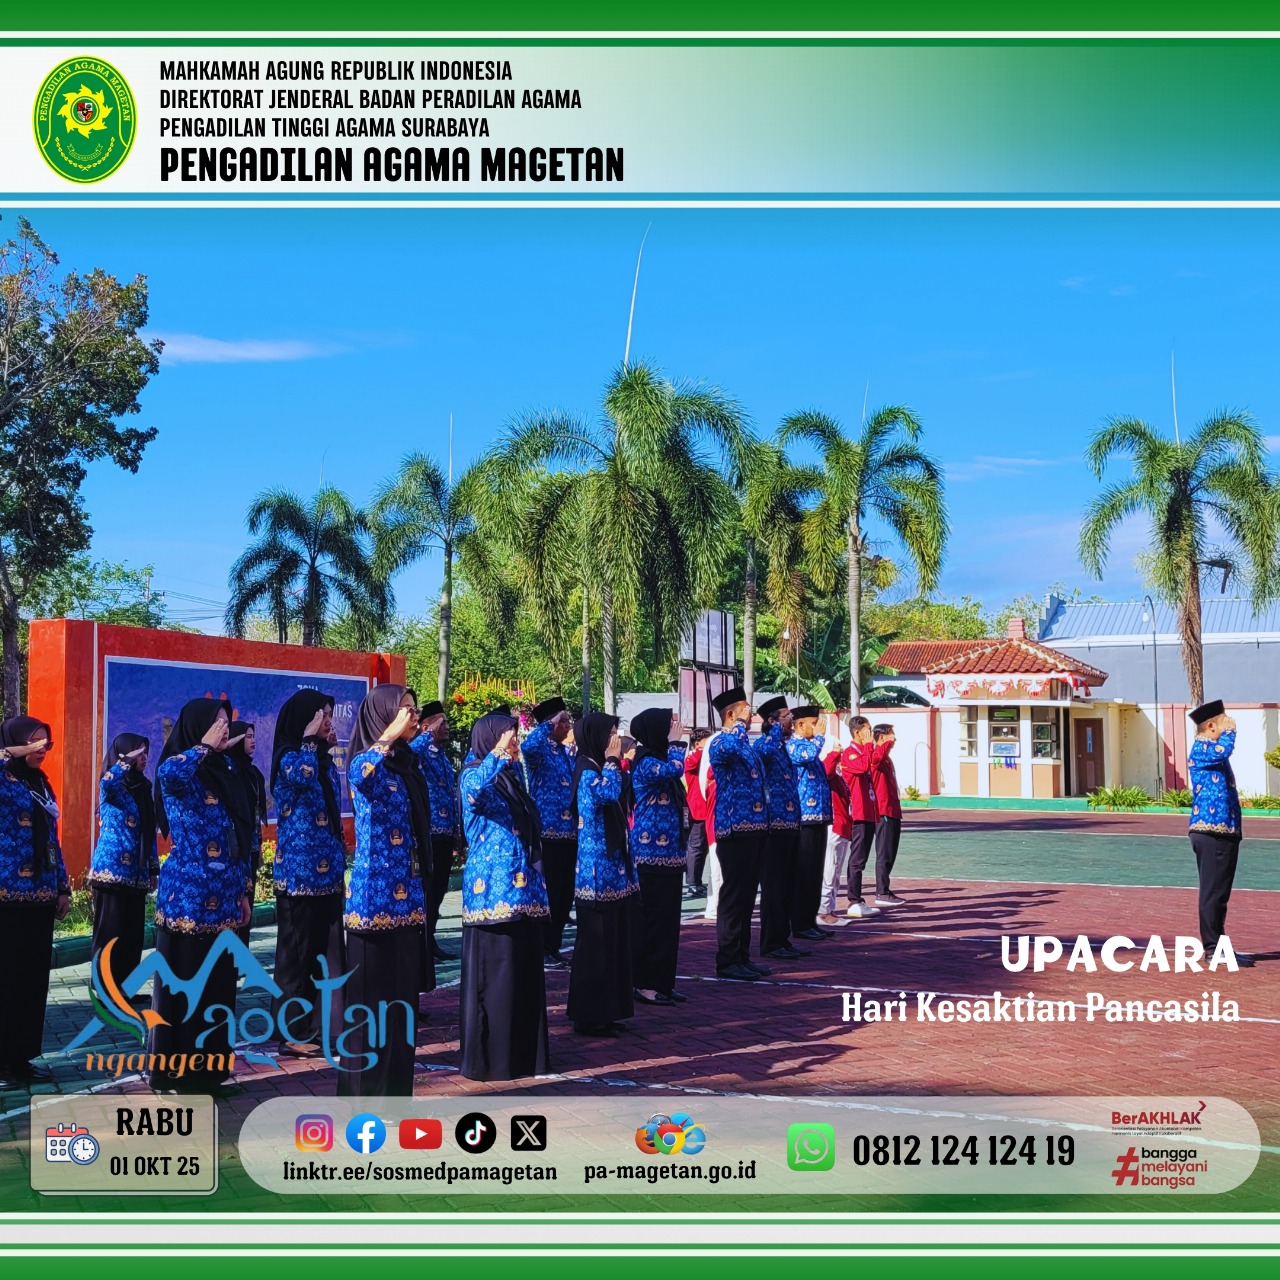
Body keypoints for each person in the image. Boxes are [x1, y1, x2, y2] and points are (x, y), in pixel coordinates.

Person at [152, 698, 255, 1092]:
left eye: (227, 723)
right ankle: (177, 1073)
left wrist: (244, 891)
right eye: (216, 723)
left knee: (218, 988)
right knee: (185, 988)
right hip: (188, 902)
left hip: (225, 897)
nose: (224, 728)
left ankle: (211, 1070)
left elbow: (238, 837)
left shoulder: (225, 770)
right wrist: (204, 747)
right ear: (197, 728)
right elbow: (169, 773)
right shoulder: (181, 767)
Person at [341, 685, 431, 1095]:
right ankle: (363, 1097)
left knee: (401, 1008)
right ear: (383, 716)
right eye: (404, 710)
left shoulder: (404, 766)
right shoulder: (368, 764)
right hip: (372, 905)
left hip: (407, 901)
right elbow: (359, 773)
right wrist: (388, 736)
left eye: (414, 709)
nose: (413, 716)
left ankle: (396, 1094)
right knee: (369, 1007)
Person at [457, 712, 550, 1079]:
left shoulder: (512, 775)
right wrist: (498, 753)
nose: (514, 744)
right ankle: (492, 1060)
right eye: (509, 737)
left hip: (523, 891)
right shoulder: (473, 773)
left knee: (523, 976)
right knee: (495, 980)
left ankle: (524, 1056)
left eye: (514, 737)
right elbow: (474, 794)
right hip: (491, 895)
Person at [269, 689, 348, 1056]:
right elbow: (302, 776)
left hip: (326, 875)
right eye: (321, 716)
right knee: (296, 959)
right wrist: (308, 740)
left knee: (319, 957)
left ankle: (314, 1026)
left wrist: (319, 747)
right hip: (299, 877)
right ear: (304, 720)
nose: (329, 722)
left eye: (329, 716)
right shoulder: (290, 758)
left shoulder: (322, 762)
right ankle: (290, 1033)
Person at [0, 717, 71, 1090]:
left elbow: (51, 840)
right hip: (6, 897)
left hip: (40, 899)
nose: (42, 748)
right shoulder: (3, 779)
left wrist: (62, 887)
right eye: (34, 742)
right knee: (4, 979)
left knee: (30, 982)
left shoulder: (40, 784)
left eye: (46, 742)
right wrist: (5, 754)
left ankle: (20, 1057)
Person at [567, 712, 636, 1036]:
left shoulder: (597, 767)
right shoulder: (586, 769)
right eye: (610, 734)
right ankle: (589, 1015)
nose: (615, 740)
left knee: (614, 945)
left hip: (612, 871)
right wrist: (612, 760)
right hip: (595, 875)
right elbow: (605, 795)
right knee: (595, 948)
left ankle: (610, 1011)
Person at [706, 687, 769, 981]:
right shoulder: (720, 742)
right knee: (733, 897)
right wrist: (739, 724)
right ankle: (728, 959)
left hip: (755, 827)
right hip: (734, 829)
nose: (750, 714)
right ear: (731, 714)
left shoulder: (745, 744)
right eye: (744, 710)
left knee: (746, 897)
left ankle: (742, 956)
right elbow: (727, 750)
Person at [88, 733, 159, 991]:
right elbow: (107, 782)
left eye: (145, 752)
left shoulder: (143, 788)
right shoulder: (113, 787)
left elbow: (148, 831)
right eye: (138, 752)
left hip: (136, 875)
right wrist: (125, 762)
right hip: (111, 874)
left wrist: (153, 868)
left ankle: (125, 990)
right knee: (110, 934)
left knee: (132, 937)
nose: (144, 757)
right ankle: (104, 989)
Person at [628, 708, 688, 1006]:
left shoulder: (660, 759)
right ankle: (644, 983)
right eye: (669, 725)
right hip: (650, 854)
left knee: (668, 922)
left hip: (671, 853)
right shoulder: (646, 762)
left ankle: (663, 981)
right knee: (651, 921)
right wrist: (676, 744)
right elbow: (674, 770)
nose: (674, 729)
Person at [1187, 700, 1253, 967]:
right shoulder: (1202, 748)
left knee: (1220, 894)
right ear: (1211, 726)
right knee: (1213, 893)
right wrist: (1230, 731)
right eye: (1223, 722)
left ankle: (1220, 946)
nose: (1228, 725)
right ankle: (1213, 948)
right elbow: (1224, 749)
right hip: (1211, 832)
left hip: (1224, 831)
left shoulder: (1212, 752)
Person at [521, 696, 578, 970]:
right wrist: (547, 725)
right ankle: (543, 948)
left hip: (569, 833)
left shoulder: (564, 752)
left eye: (568, 720)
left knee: (565, 895)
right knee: (550, 892)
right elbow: (528, 746)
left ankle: (553, 946)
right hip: (548, 833)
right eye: (562, 721)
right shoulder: (540, 751)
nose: (568, 725)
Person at [755, 696, 807, 962]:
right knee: (774, 888)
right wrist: (775, 729)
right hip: (774, 827)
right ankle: (771, 942)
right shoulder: (764, 743)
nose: (791, 720)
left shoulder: (783, 746)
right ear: (772, 721)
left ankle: (782, 939)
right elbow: (763, 752)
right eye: (786, 716)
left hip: (790, 824)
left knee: (787, 886)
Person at [410, 700, 461, 963]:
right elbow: (412, 748)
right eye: (441, 722)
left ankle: (430, 938)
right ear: (426, 727)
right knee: (427, 889)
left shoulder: (442, 755)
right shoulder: (418, 750)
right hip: (428, 833)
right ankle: (421, 942)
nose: (447, 726)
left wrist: (455, 829)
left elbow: (450, 795)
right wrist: (427, 732)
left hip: (445, 834)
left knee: (439, 889)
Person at [787, 708, 836, 941]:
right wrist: (819, 738)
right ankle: (799, 923)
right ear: (800, 725)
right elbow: (805, 756)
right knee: (804, 872)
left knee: (816, 873)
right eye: (814, 723)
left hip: (819, 817)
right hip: (804, 818)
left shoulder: (811, 747)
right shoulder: (794, 746)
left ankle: (810, 920)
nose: (818, 727)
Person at [226, 723, 268, 946]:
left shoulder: (253, 773)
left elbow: (255, 813)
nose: (253, 740)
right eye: (248, 736)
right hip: (232, 850)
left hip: (249, 848)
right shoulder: (228, 772)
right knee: (232, 902)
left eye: (254, 736)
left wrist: (258, 846)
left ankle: (242, 955)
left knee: (247, 903)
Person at [841, 715, 882, 919]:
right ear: (857, 732)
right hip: (858, 813)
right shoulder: (850, 754)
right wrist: (867, 746)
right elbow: (864, 766)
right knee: (857, 859)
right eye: (867, 729)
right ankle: (854, 900)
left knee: (862, 858)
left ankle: (858, 900)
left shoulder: (864, 751)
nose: (870, 733)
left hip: (868, 810)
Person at [870, 724, 905, 908]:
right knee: (884, 852)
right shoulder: (876, 755)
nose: (895, 738)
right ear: (882, 737)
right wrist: (885, 743)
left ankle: (885, 889)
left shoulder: (887, 759)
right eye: (891, 735)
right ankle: (881, 892)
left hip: (892, 810)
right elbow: (876, 756)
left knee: (890, 852)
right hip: (883, 811)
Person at [817, 749, 852, 929]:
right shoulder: (825, 771)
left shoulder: (838, 775)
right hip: (834, 826)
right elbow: (827, 770)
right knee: (829, 870)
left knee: (836, 871)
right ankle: (822, 911)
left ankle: (829, 909)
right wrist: (833, 753)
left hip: (842, 826)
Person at [682, 728, 712, 898]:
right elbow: (690, 764)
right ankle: (692, 882)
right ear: (698, 742)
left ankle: (697, 881)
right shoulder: (693, 756)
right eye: (707, 740)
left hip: (708, 807)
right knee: (696, 846)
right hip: (697, 808)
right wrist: (702, 749)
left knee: (704, 848)